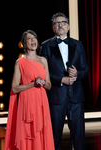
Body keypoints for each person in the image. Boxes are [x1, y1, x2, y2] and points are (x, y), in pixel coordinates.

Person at [40, 13, 89, 150]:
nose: (60, 25)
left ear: (68, 26)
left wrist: (77, 74)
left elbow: (85, 69)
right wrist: (61, 79)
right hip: (56, 98)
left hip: (76, 98)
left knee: (78, 137)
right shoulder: (46, 46)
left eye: (62, 23)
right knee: (54, 136)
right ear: (53, 28)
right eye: (56, 23)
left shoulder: (78, 45)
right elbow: (43, 73)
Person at [4, 30, 55, 150]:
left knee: (41, 132)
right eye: (29, 38)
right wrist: (32, 84)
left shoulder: (43, 60)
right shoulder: (20, 62)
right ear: (23, 44)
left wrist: (42, 83)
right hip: (27, 102)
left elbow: (49, 85)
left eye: (35, 38)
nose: (33, 41)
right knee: (28, 133)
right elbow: (15, 88)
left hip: (41, 102)